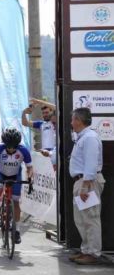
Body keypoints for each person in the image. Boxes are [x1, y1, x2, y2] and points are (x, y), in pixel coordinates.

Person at [68, 107, 104, 265]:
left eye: (73, 119)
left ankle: (93, 253)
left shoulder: (89, 137)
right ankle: (86, 250)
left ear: (79, 121)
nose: (71, 123)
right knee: (81, 219)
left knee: (90, 218)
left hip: (87, 182)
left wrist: (85, 187)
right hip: (82, 181)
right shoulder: (83, 137)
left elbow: (91, 164)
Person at [0, 126, 33, 245]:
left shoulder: (23, 150)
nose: (11, 149)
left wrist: (30, 177)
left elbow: (30, 168)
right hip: (0, 172)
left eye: (14, 147)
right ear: (5, 144)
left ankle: (17, 230)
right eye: (9, 146)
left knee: (16, 202)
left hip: (15, 174)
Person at [22, 99, 57, 167]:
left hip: (54, 154)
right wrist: (24, 113)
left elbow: (56, 108)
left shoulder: (55, 121)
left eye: (46, 112)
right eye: (43, 113)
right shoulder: (41, 124)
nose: (44, 115)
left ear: (52, 112)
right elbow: (25, 123)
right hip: (44, 154)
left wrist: (39, 102)